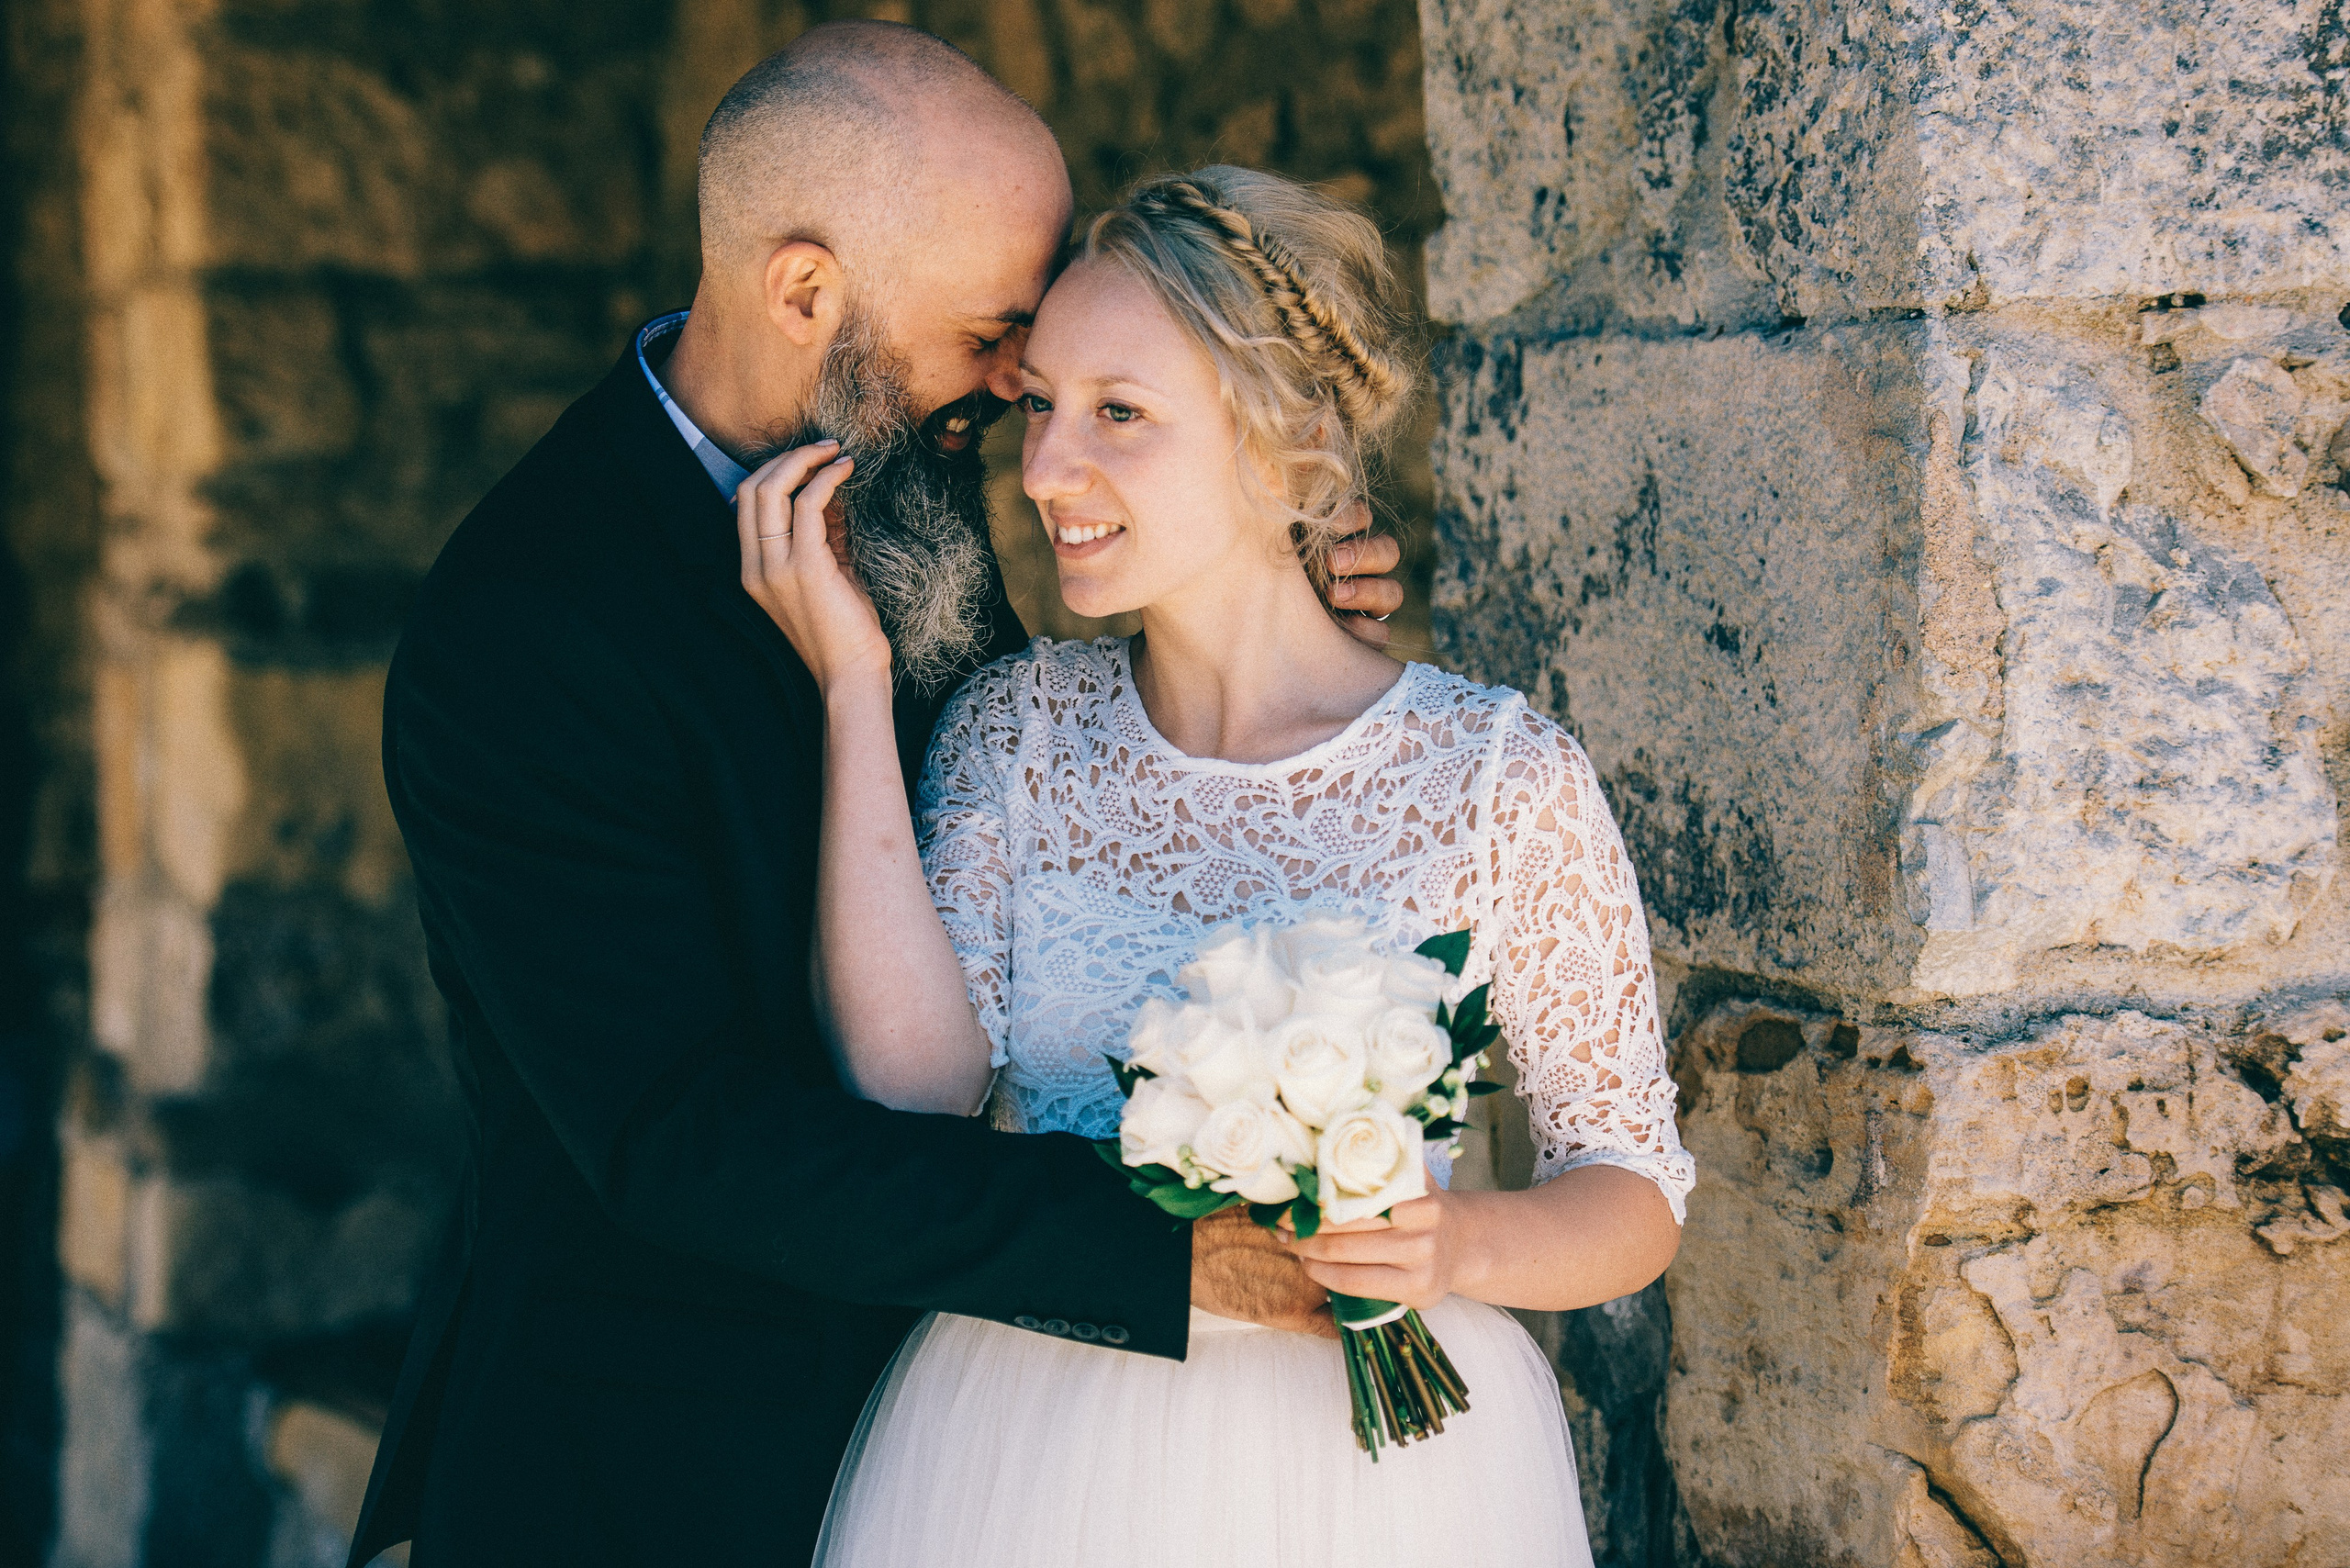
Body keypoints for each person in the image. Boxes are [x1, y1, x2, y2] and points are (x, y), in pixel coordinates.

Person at [345, 24, 1410, 1568]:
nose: (1019, 385)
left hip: (982, 1443)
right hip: (664, 1469)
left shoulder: (897, 461)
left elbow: (1046, 798)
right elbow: (678, 1137)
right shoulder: (521, 630)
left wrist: (1264, 595)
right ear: (804, 294)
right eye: (991, 331)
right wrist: (1166, 1257)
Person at [738, 164, 1695, 1568]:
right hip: (1032, 1455)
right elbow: (910, 1094)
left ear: (1286, 436)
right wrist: (851, 686)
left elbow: (1632, 1186)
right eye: (1041, 405)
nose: (1046, 468)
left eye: (1119, 413)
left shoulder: (1497, 775)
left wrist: (1453, 1247)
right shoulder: (1017, 732)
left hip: (1387, 1492)